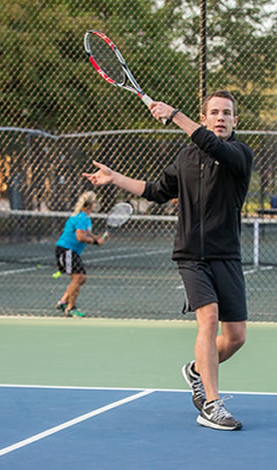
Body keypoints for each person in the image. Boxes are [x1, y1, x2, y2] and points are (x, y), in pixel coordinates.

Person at [83, 90, 253, 431]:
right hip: (191, 254)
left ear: (236, 121)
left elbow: (213, 146)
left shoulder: (239, 154)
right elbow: (157, 190)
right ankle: (212, 405)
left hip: (227, 255)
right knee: (209, 319)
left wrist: (174, 113)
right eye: (214, 112)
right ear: (203, 117)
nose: (221, 117)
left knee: (235, 338)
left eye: (227, 113)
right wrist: (115, 178)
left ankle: (196, 370)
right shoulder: (186, 157)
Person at [55, 191, 106, 317]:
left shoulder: (85, 218)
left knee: (81, 278)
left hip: (71, 251)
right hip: (66, 250)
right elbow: (80, 237)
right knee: (78, 278)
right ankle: (70, 308)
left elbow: (86, 233)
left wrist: (97, 238)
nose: (96, 204)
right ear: (89, 204)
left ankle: (63, 301)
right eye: (94, 202)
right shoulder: (81, 217)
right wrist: (95, 242)